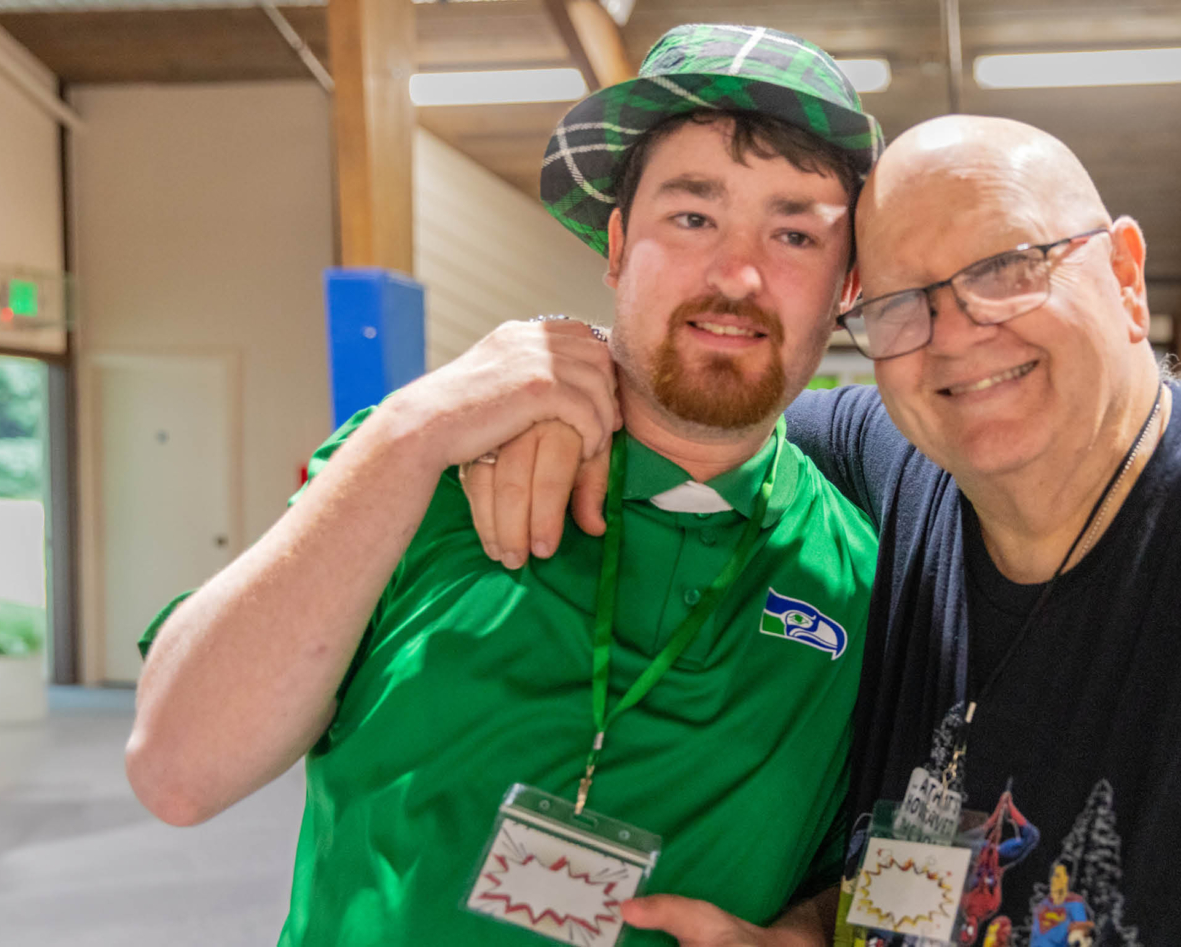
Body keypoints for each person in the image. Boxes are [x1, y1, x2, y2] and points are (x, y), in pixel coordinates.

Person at [463, 117, 1181, 946]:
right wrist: (532, 395)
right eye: (898, 305)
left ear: (1125, 276)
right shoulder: (885, 470)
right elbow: (698, 394)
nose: (958, 332)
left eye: (1010, 265)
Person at [122, 25, 889, 945]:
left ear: (846, 286)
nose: (738, 273)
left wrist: (804, 935)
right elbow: (178, 770)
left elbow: (920, 848)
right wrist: (412, 430)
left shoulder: (867, 579)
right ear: (614, 245)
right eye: (693, 216)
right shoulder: (422, 470)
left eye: (795, 232)